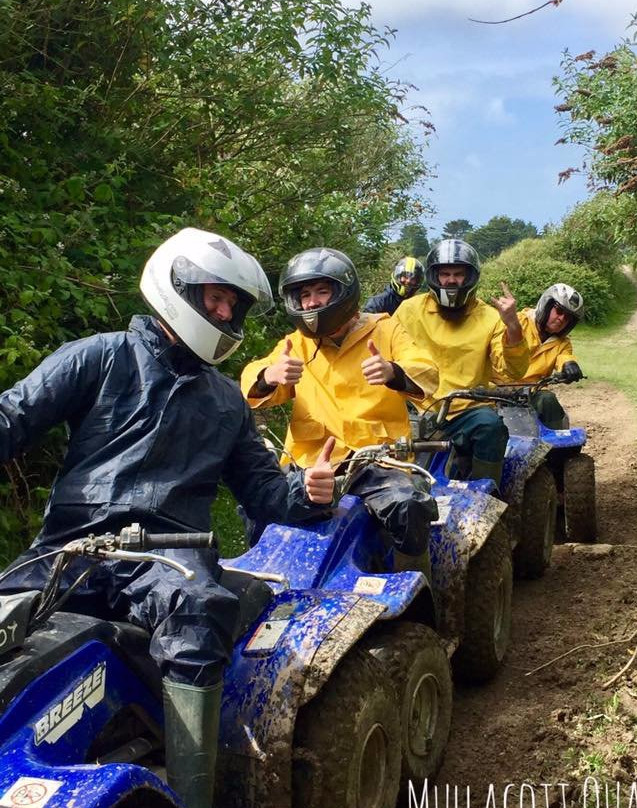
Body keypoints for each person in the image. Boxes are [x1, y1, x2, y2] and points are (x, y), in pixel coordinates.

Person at [0, 227, 334, 808]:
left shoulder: (226, 400)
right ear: (177, 286)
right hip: (71, 547)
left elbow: (264, 492)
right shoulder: (100, 355)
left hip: (170, 554)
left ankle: (194, 794)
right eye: (216, 297)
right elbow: (14, 416)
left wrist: (309, 492)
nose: (225, 312)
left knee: (199, 607)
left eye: (233, 304)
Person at [240, 246, 439, 579]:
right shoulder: (295, 343)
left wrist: (393, 371)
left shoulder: (386, 329)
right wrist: (268, 376)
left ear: (344, 292)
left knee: (409, 506)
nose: (311, 303)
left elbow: (427, 371)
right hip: (308, 463)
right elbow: (252, 383)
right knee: (257, 504)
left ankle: (418, 584)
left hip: (376, 461)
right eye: (304, 295)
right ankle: (264, 583)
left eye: (321, 291)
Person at [393, 238, 530, 487]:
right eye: (445, 274)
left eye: (458, 274)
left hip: (465, 409)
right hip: (413, 406)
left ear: (470, 278)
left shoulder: (491, 317)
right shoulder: (409, 310)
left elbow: (513, 370)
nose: (451, 280)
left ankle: (485, 494)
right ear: (434, 276)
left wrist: (512, 325)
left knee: (491, 427)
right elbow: (387, 349)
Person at [492, 283, 585, 429]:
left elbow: (564, 356)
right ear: (546, 305)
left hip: (531, 393)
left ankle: (557, 441)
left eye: (568, 318)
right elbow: (497, 350)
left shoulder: (562, 343)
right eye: (559, 311)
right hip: (494, 391)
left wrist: (569, 364)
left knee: (548, 400)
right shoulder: (516, 321)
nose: (561, 318)